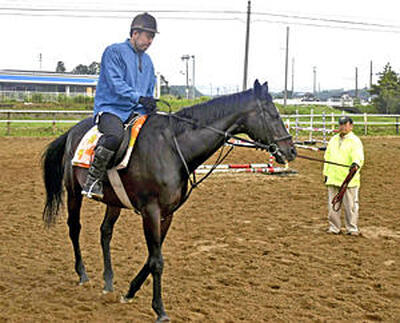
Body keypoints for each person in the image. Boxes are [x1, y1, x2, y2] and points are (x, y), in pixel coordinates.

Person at [82, 12, 158, 199]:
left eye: (152, 37)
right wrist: (138, 98)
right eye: (147, 36)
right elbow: (115, 84)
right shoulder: (113, 52)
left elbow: (148, 89)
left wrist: (148, 103)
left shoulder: (148, 62)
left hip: (136, 112)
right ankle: (93, 180)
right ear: (134, 33)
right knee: (115, 136)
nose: (150, 41)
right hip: (111, 109)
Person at [323, 116, 364, 236]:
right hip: (333, 177)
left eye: (345, 125)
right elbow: (327, 157)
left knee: (350, 205)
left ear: (351, 126)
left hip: (348, 179)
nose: (343, 127)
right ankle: (334, 227)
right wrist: (325, 173)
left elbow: (358, 156)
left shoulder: (355, 141)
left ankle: (352, 228)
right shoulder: (333, 140)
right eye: (341, 125)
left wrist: (355, 164)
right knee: (333, 206)